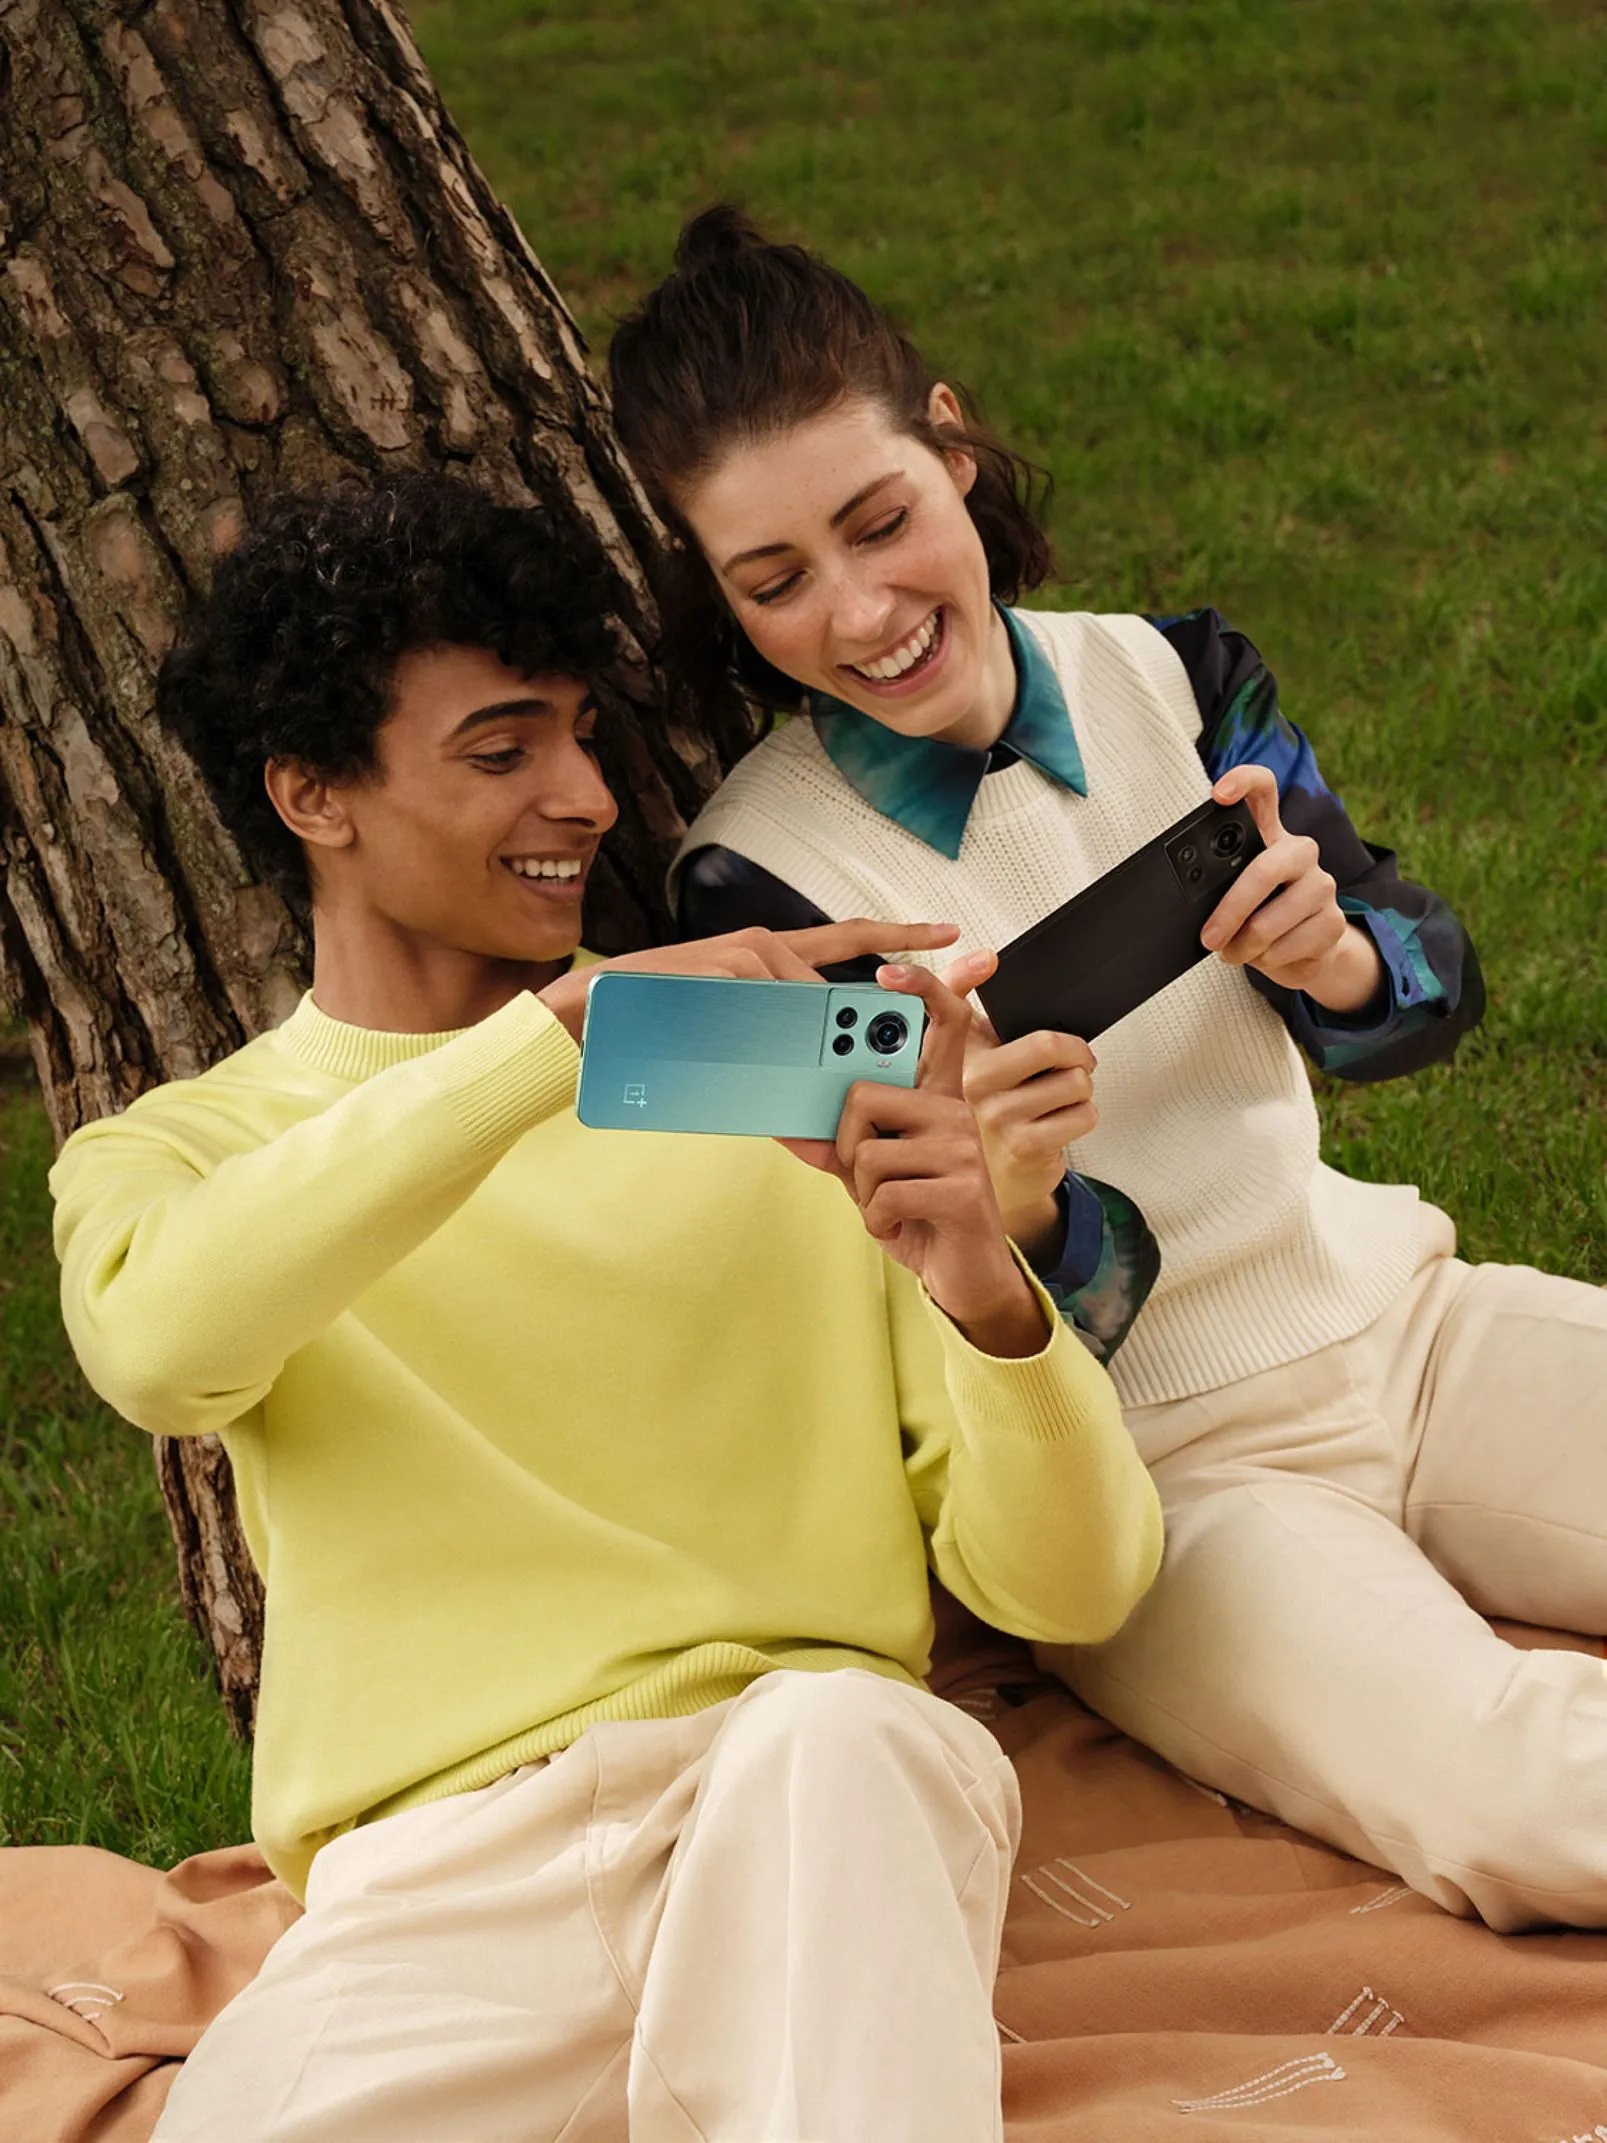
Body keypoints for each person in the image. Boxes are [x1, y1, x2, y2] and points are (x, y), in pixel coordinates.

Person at [48, 475, 1163, 2143]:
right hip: (438, 1885)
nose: (583, 796)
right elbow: (163, 1354)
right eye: (503, 751)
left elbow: (1072, 1585)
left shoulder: (792, 1102)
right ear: (311, 795)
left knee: (840, 1742)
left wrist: (987, 1294)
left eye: (579, 736)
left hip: (804, 1783)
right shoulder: (187, 1154)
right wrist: (557, 1041)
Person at [606, 206, 1607, 1935]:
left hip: (1411, 1322)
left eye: (880, 522)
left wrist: (1338, 957)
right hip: (1164, 1490)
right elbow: (910, 1335)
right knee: (1526, 1795)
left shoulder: (1174, 672)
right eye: (774, 583)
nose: (861, 611)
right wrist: (1014, 1207)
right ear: (721, 600)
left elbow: (1428, 994)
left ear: (953, 444)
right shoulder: (749, 894)